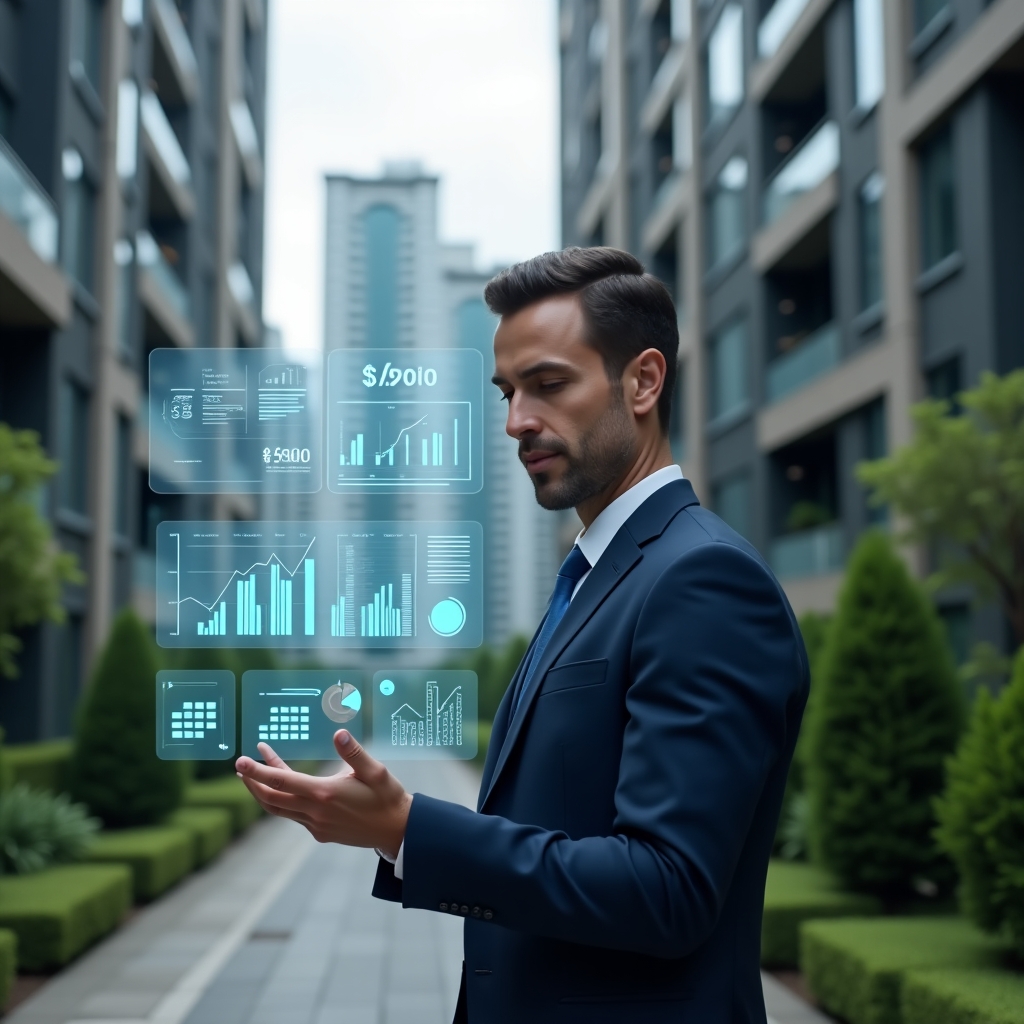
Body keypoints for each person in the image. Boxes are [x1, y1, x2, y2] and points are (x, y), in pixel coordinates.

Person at [236, 247, 809, 1023]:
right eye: (507, 393)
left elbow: (669, 888)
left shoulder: (702, 580)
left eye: (548, 385)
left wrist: (410, 829)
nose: (515, 423)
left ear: (642, 381)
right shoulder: (596, 576)